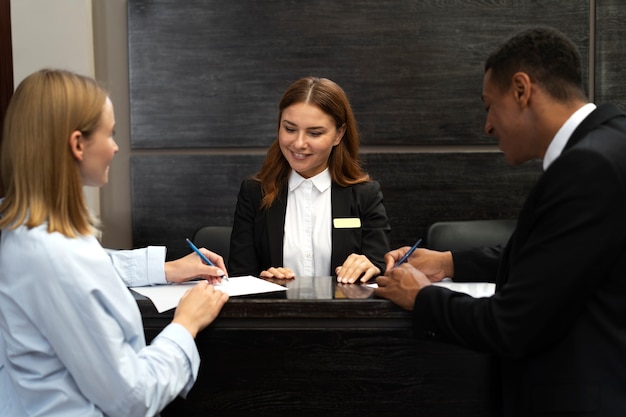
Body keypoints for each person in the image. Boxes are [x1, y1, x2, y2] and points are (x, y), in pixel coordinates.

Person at [375, 26, 626, 416]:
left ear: (522, 89)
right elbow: (557, 259)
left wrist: (422, 297)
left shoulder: (587, 167)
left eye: (489, 105)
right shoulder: (612, 143)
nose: (487, 125)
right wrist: (449, 262)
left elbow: (512, 326)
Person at [0, 69, 230, 416]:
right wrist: (186, 324)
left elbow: (94, 266)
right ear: (78, 144)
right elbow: (131, 397)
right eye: (111, 134)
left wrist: (167, 269)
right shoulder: (53, 256)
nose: (116, 146)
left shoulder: (21, 227)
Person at [228, 76, 390, 284]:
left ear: (338, 135)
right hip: (274, 313)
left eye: (314, 133)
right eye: (290, 129)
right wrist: (263, 280)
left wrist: (370, 267)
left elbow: (379, 267)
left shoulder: (365, 194)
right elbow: (240, 277)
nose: (299, 143)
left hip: (346, 314)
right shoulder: (253, 193)